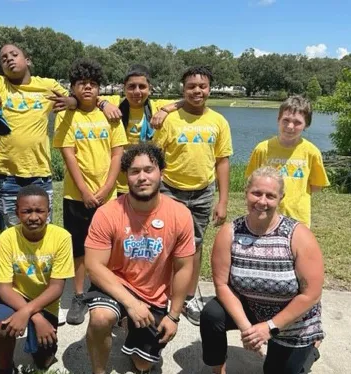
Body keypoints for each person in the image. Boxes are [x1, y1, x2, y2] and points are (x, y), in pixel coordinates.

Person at [0, 43, 121, 233]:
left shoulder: (47, 86)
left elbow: (80, 95)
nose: (9, 59)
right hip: (7, 177)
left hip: (40, 176)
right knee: (11, 235)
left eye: (14, 54)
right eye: (3, 58)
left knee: (42, 234)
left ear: (28, 60)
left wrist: (100, 103)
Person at [200, 166, 324, 374]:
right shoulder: (229, 232)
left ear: (280, 198)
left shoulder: (298, 236)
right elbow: (221, 283)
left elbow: (311, 293)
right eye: (256, 193)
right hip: (252, 308)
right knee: (212, 314)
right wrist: (247, 328)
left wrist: (270, 327)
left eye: (270, 196)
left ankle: (312, 346)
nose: (262, 201)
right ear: (246, 192)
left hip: (293, 320)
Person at [84, 143, 195, 374]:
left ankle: (130, 326)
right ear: (126, 177)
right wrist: (131, 304)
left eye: (148, 170)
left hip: (153, 293)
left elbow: (185, 267)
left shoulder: (180, 214)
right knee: (100, 318)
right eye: (134, 171)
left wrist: (174, 316)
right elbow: (94, 266)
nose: (142, 177)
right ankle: (98, 371)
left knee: (143, 365)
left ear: (161, 173)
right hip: (115, 283)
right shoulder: (107, 213)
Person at [153, 66, 233, 326]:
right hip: (169, 190)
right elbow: (155, 157)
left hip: (202, 193)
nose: (197, 91)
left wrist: (222, 200)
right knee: (163, 243)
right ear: (183, 89)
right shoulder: (171, 119)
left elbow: (222, 161)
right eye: (191, 86)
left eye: (202, 86)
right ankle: (160, 293)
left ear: (210, 88)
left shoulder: (219, 121)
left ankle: (187, 297)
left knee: (195, 246)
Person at [53, 59, 127, 325]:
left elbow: (117, 154)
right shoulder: (66, 115)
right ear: (72, 88)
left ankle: (108, 292)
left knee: (110, 246)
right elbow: (68, 155)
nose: (88, 88)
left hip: (108, 195)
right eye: (82, 84)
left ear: (100, 89)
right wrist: (85, 191)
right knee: (80, 248)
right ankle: (80, 295)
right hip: (76, 196)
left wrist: (107, 188)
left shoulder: (111, 114)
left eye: (93, 84)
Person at [0, 185, 74, 373]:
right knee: (2, 328)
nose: (33, 217)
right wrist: (35, 317)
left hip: (46, 300)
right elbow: (3, 288)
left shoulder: (61, 237)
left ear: (49, 211)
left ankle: (42, 349)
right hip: (15, 297)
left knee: (44, 361)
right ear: (17, 213)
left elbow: (56, 288)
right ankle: (5, 368)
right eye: (27, 211)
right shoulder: (7, 238)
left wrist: (31, 313)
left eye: (39, 211)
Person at [245, 95, 330, 227]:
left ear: (306, 124)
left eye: (297, 122)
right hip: (265, 214)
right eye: (286, 120)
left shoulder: (312, 152)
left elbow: (316, 186)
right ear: (278, 120)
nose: (290, 126)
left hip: (298, 217)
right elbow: (252, 182)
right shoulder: (262, 149)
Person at [115, 64, 183, 195]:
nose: (137, 91)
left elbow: (187, 101)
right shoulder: (115, 104)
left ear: (150, 89)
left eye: (142, 86)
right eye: (131, 87)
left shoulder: (158, 106)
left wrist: (165, 110)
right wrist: (104, 104)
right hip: (119, 182)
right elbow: (87, 98)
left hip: (148, 182)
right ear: (124, 89)